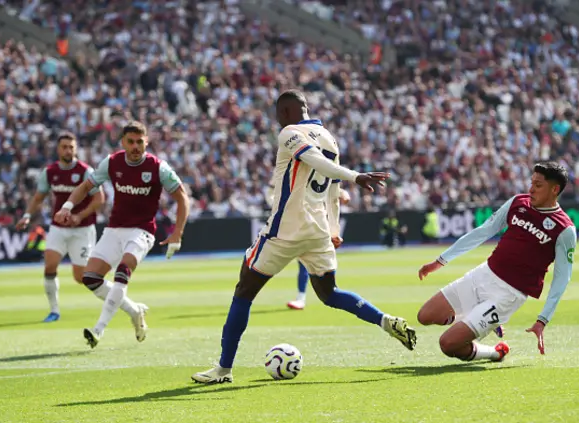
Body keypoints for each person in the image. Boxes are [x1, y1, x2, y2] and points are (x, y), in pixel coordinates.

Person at [191, 90, 416, 384]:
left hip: (285, 229)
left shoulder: (290, 132)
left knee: (244, 290)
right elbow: (332, 191)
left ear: (284, 112)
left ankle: (223, 369)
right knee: (330, 293)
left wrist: (354, 176)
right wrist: (334, 230)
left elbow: (314, 161)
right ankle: (385, 321)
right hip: (318, 231)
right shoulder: (330, 138)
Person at [416, 161, 577, 362]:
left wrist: (542, 320)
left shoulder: (564, 229)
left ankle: (495, 352)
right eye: (531, 182)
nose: (531, 189)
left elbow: (562, 278)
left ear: (555, 189)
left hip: (507, 295)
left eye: (538, 185)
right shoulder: (518, 202)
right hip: (483, 274)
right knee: (425, 316)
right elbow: (483, 232)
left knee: (448, 345)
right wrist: (440, 261)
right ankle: (482, 320)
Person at [54, 121, 190, 348]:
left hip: (142, 232)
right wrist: (67, 206)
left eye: (140, 142)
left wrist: (178, 232)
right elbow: (86, 187)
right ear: (123, 143)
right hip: (114, 229)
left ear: (146, 142)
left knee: (122, 272)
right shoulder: (112, 162)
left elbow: (182, 197)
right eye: (131, 142)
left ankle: (98, 330)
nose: (136, 146)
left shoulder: (158, 167)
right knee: (90, 278)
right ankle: (135, 311)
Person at [16, 132, 104, 322]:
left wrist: (79, 216)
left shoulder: (85, 171)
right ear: (58, 149)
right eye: (64, 147)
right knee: (50, 265)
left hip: (82, 229)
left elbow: (99, 198)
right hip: (58, 227)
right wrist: (27, 216)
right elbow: (38, 197)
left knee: (81, 278)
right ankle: (54, 310)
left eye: (71, 147)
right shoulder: (50, 172)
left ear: (76, 149)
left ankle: (113, 293)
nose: (68, 150)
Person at [286, 187, 351, 310]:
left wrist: (343, 193)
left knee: (321, 263)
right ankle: (303, 297)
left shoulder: (316, 176)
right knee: (304, 263)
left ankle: (327, 293)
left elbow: (331, 186)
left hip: (319, 226)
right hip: (307, 226)